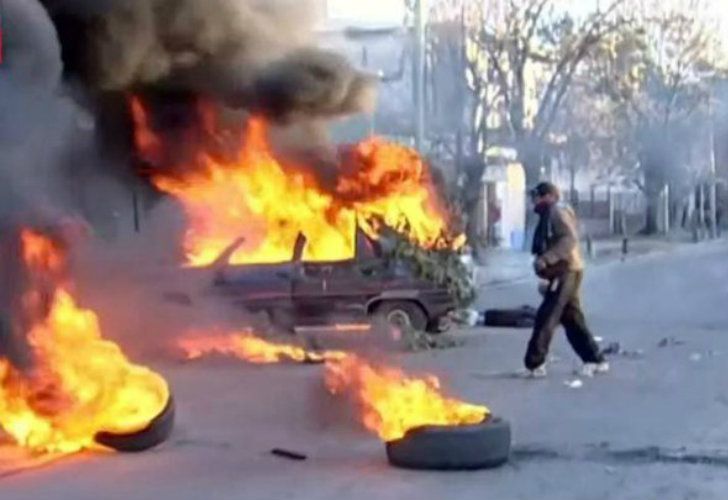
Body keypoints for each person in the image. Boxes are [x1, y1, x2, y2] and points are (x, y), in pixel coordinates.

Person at [523, 182, 608, 378]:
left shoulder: (556, 212)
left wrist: (546, 259)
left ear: (548, 196)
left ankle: (535, 363)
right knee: (572, 318)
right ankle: (595, 359)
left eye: (536, 196)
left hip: (566, 270)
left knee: (547, 315)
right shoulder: (552, 213)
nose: (533, 201)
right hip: (568, 270)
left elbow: (569, 239)